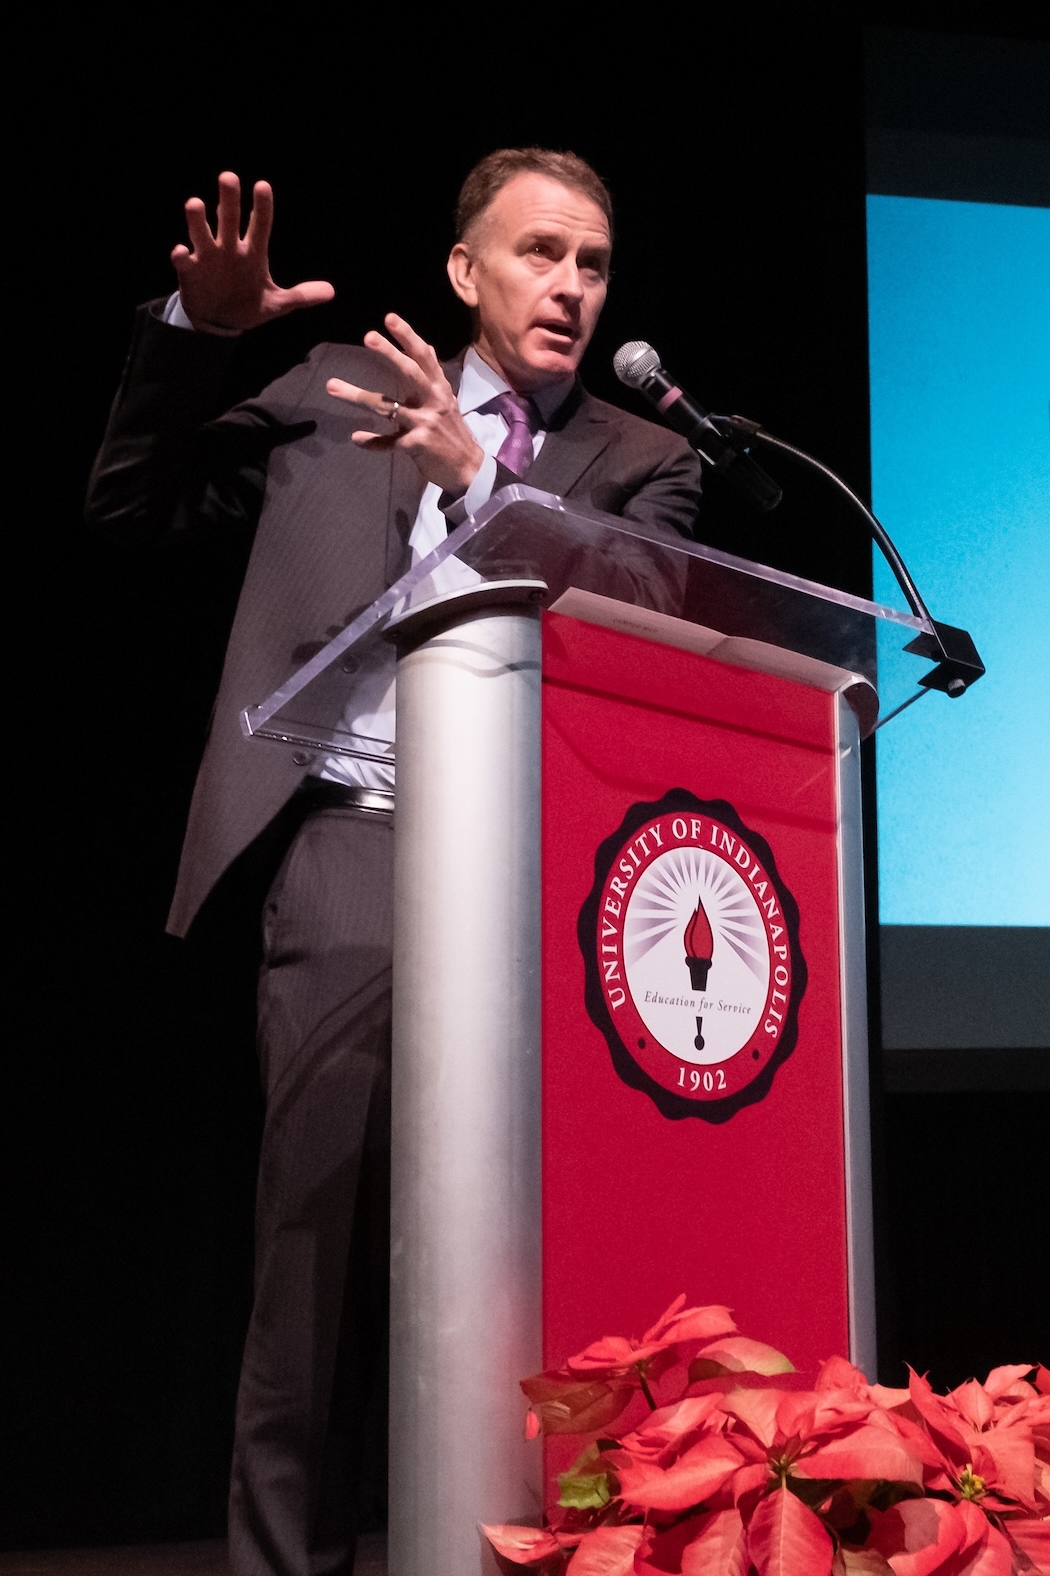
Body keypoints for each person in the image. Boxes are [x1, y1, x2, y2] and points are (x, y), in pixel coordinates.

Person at [85, 152, 702, 1576]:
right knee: (311, 1260)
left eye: (593, 263)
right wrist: (201, 341)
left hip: (560, 890)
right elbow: (132, 507)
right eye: (539, 253)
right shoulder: (330, 390)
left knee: (541, 1274)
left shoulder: (647, 456)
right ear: (463, 271)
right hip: (359, 847)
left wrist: (484, 479)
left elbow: (651, 609)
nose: (569, 286)